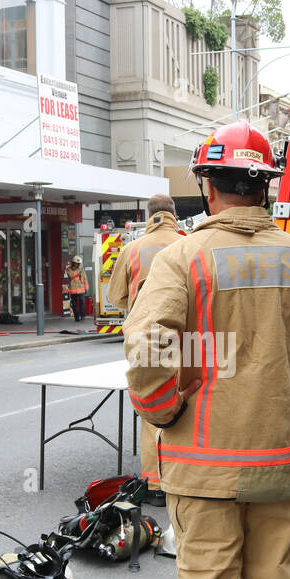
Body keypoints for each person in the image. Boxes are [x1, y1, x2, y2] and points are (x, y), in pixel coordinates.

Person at [124, 120, 290, 579]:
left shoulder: (183, 258)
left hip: (205, 462)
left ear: (209, 188)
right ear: (262, 188)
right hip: (279, 452)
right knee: (275, 576)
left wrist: (161, 411)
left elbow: (149, 346)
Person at [109, 193, 185, 503]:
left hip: (144, 338)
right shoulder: (188, 243)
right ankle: (181, 475)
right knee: (184, 403)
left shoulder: (133, 249)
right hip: (184, 337)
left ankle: (154, 482)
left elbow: (116, 297)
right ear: (174, 214)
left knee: (152, 404)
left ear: (148, 214)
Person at [65, 255, 88, 321]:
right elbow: (71, 275)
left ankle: (82, 315)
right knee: (74, 304)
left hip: (81, 288)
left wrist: (86, 287)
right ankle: (76, 316)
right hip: (73, 290)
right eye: (76, 263)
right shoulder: (68, 269)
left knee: (82, 302)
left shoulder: (81, 269)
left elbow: (85, 278)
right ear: (73, 263)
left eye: (78, 264)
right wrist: (78, 272)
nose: (77, 265)